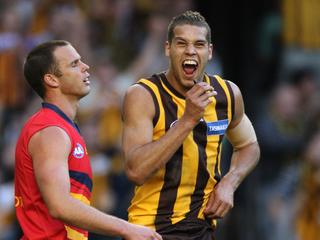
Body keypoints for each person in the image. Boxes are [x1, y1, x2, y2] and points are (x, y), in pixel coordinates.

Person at [122, 11, 260, 240]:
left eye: (198, 44)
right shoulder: (143, 95)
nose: (190, 51)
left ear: (210, 51)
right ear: (168, 49)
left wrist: (230, 182)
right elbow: (136, 171)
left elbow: (250, 146)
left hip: (202, 228)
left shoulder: (227, 93)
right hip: (150, 230)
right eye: (181, 43)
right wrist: (188, 120)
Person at [14, 40, 162, 240]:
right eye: (74, 64)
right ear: (52, 80)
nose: (86, 67)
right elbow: (60, 205)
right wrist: (127, 228)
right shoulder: (51, 131)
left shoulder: (63, 126)